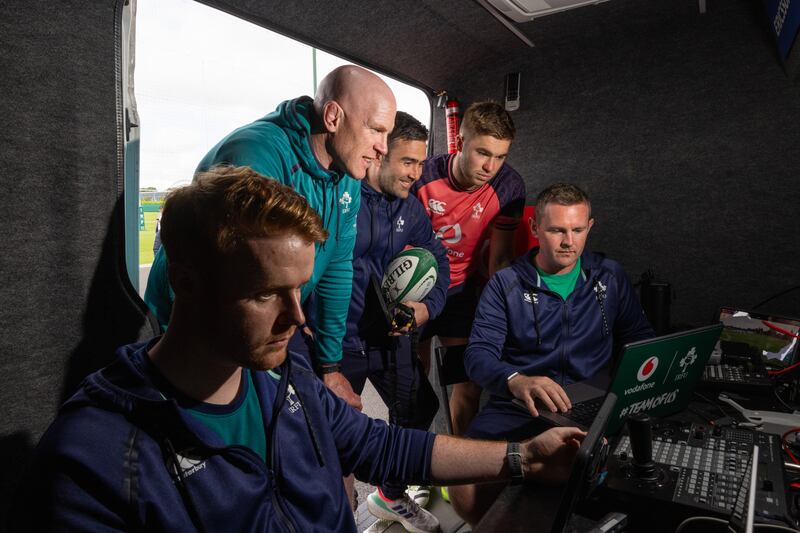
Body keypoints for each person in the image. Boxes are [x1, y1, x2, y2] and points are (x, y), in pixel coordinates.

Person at [13, 167, 586, 532]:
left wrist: (523, 458)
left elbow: (381, 446)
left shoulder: (284, 380)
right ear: (186, 283)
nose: (298, 316)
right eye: (266, 294)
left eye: (300, 288)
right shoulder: (94, 457)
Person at [144, 65, 396, 409]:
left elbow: (336, 268)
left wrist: (330, 366)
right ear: (334, 117)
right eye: (376, 130)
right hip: (196, 328)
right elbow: (229, 288)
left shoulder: (347, 175)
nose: (383, 148)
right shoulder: (256, 156)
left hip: (262, 323)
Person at [449, 183, 655, 524]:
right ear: (534, 228)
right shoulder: (506, 284)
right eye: (557, 230)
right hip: (518, 408)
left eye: (577, 230)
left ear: (590, 227)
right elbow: (478, 357)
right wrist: (516, 381)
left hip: (594, 403)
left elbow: (640, 338)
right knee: (464, 485)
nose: (568, 241)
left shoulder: (610, 276)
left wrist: (632, 387)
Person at [300, 112, 450, 531]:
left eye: (421, 163)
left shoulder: (411, 210)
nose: (416, 174)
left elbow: (439, 260)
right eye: (407, 163)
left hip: (390, 335)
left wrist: (425, 308)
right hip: (338, 342)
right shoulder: (338, 198)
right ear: (380, 155)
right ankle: (341, 519)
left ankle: (388, 494)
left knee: (421, 408)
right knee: (335, 438)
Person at [412, 101, 526, 435]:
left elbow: (500, 259)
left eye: (501, 156)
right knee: (414, 387)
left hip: (460, 292)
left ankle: (461, 467)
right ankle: (409, 470)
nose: (491, 166)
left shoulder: (509, 187)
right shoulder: (422, 174)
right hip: (416, 289)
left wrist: (504, 311)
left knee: (467, 383)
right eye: (483, 153)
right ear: (460, 142)